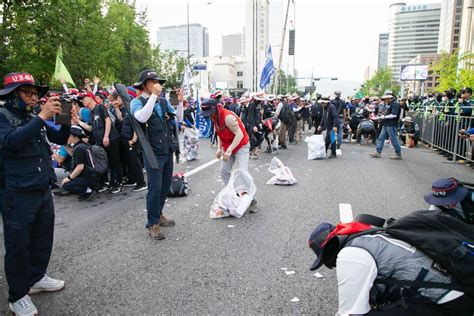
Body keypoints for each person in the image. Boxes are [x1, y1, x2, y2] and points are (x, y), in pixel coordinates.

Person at [0, 72, 69, 315]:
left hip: (41, 185)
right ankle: (17, 295)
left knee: (42, 237)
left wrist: (65, 117)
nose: (33, 96)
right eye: (27, 92)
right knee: (18, 245)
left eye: (35, 93)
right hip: (16, 191)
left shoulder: (33, 117)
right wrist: (41, 117)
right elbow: (11, 143)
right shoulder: (3, 116)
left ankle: (36, 277)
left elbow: (59, 136)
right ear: (12, 95)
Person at [307, 221, 474, 315]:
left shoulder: (351, 254)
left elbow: (350, 313)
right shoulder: (370, 235)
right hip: (459, 293)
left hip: (447, 305)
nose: (331, 265)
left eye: (326, 260)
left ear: (329, 249)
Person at [131, 69, 183, 240]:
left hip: (166, 149)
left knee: (164, 186)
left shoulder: (162, 100)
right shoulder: (137, 102)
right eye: (152, 81)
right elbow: (141, 118)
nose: (156, 84)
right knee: (154, 189)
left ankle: (159, 214)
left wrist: (180, 103)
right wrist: (153, 96)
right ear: (144, 84)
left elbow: (178, 119)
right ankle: (152, 223)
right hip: (151, 152)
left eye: (157, 81)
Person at [200, 98, 258, 213]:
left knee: (242, 172)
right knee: (224, 171)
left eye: (210, 113)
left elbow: (240, 135)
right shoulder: (214, 117)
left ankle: (252, 200)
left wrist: (229, 151)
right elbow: (219, 133)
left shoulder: (228, 118)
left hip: (241, 145)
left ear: (216, 109)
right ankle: (234, 196)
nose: (209, 116)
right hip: (228, 146)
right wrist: (219, 148)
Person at [76, 92, 123, 193]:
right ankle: (109, 182)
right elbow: (91, 128)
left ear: (90, 97)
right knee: (106, 162)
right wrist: (79, 122)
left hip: (111, 138)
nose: (82, 101)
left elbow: (108, 121)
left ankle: (118, 183)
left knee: (115, 161)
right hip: (100, 140)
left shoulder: (100, 107)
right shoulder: (91, 112)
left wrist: (106, 136)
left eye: (83, 98)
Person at [61, 125, 98, 201]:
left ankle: (87, 191)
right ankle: (87, 187)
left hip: (89, 176)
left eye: (69, 136)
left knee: (66, 185)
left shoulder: (79, 148)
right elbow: (72, 154)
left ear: (75, 137)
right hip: (92, 174)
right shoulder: (82, 145)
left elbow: (80, 167)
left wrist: (69, 178)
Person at [370, 91, 402, 160]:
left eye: (386, 99)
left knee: (393, 139)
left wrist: (383, 117)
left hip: (391, 124)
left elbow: (394, 115)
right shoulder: (391, 104)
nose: (385, 100)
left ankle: (398, 153)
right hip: (387, 124)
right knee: (381, 138)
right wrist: (383, 116)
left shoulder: (395, 104)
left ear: (389, 98)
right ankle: (378, 152)